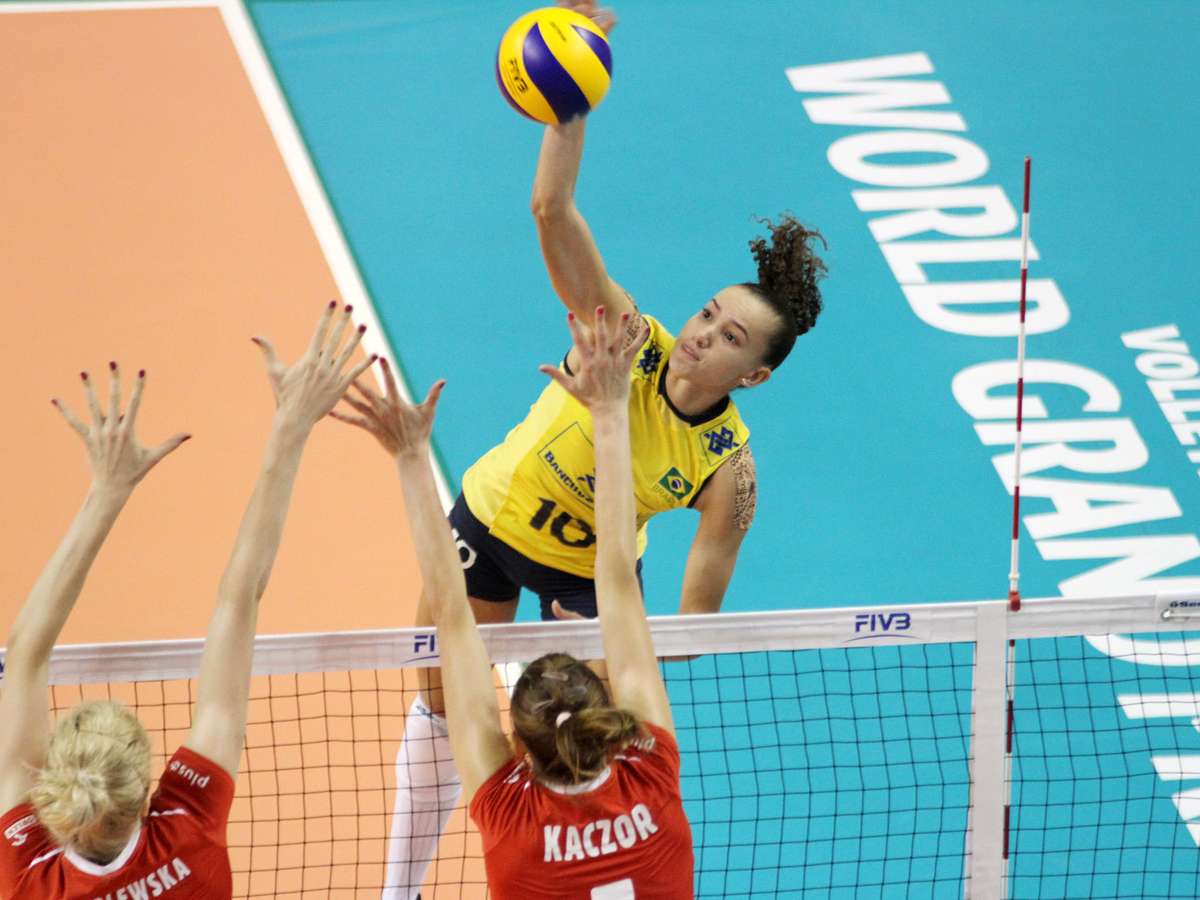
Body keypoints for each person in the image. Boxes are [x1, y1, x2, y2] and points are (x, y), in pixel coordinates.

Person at [335, 3, 827, 894]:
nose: (701, 335)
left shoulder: (729, 470)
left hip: (592, 582)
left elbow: (689, 633)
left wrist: (576, 655)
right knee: (441, 704)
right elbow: (550, 209)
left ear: (753, 376)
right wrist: (571, 105)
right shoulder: (624, 335)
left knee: (583, 739)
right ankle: (397, 890)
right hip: (492, 522)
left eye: (729, 339)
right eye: (708, 313)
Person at [0, 304, 375, 899]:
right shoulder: (188, 831)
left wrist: (107, 493)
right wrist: (292, 425)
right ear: (144, 790)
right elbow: (239, 599)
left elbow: (23, 653)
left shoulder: (28, 877)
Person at [345, 306, 693, 898]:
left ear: (518, 753)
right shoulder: (650, 778)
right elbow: (614, 576)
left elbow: (452, 614)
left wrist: (410, 455)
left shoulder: (521, 818)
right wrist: (612, 413)